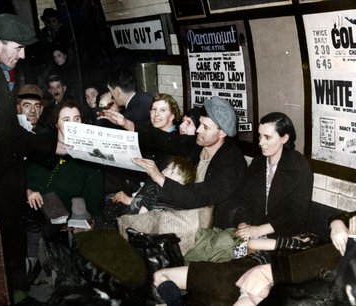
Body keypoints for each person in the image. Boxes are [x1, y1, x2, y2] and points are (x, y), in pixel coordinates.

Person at [0, 13, 71, 305]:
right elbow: (3, 134)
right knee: (4, 245)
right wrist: (52, 147)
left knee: (12, 242)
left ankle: (16, 291)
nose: (22, 55)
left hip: (3, 174)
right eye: (18, 48)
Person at [152, 112, 314, 306]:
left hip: (274, 242)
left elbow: (297, 214)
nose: (261, 142)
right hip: (250, 240)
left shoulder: (299, 167)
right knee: (221, 255)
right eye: (260, 136)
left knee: (226, 270)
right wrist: (245, 222)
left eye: (267, 137)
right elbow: (245, 200)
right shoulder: (259, 162)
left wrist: (260, 231)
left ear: (285, 138)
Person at [130, 97, 247, 226]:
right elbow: (165, 140)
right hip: (184, 212)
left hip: (210, 223)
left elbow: (201, 197)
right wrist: (128, 125)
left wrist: (160, 178)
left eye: (205, 127)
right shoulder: (199, 145)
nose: (198, 130)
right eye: (200, 124)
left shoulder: (232, 162)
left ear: (222, 133)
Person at [26, 99, 104, 217]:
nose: (72, 124)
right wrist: (28, 192)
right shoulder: (42, 148)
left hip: (62, 219)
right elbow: (24, 180)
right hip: (32, 213)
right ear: (56, 124)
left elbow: (94, 202)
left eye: (76, 119)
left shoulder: (87, 158)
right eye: (66, 120)